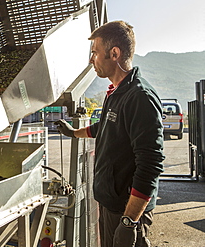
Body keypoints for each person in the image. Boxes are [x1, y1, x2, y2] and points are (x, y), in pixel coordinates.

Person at [55, 21, 165, 247]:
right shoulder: (115, 93)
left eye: (95, 52)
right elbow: (102, 127)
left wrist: (129, 222)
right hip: (111, 205)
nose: (91, 59)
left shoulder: (139, 97)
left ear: (114, 53)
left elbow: (150, 164)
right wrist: (74, 132)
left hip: (127, 212)